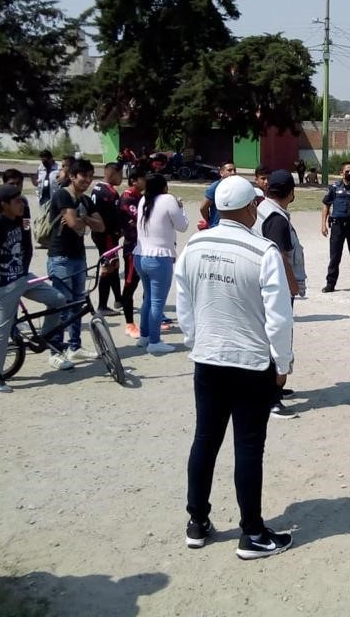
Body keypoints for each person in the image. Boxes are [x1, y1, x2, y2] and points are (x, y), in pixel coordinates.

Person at [175, 175, 295, 558]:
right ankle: (253, 532)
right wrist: (283, 362)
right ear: (250, 208)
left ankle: (197, 521)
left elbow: (184, 303)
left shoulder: (194, 244)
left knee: (205, 439)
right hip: (250, 362)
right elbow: (279, 318)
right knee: (247, 446)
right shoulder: (263, 252)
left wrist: (195, 341)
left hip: (208, 359)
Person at [0, 184, 67, 392]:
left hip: (22, 277)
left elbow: (27, 238)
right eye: (17, 201)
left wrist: (25, 265)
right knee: (2, 328)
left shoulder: (22, 216)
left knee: (58, 299)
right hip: (2, 286)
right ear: (4, 205)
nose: (22, 203)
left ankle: (45, 338)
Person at [253, 169, 305, 419]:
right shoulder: (277, 219)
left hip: (265, 285)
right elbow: (280, 256)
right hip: (277, 289)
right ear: (291, 193)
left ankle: (274, 389)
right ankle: (271, 398)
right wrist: (292, 285)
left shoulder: (264, 208)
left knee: (271, 338)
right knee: (278, 339)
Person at [45, 158, 105, 368]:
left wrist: (84, 219)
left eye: (90, 176)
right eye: (83, 176)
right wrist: (83, 220)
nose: (87, 180)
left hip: (78, 257)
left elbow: (101, 226)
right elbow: (71, 222)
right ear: (72, 176)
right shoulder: (63, 195)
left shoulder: (86, 201)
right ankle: (55, 350)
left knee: (78, 304)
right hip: (60, 257)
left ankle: (74, 347)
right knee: (61, 304)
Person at [135, 173, 188, 354]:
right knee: (157, 302)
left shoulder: (144, 200)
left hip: (140, 256)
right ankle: (155, 341)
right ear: (164, 187)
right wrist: (181, 208)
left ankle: (144, 336)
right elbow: (182, 226)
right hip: (159, 257)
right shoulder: (168, 199)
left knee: (148, 299)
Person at [321, 161, 350, 294]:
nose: (349, 173)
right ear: (341, 173)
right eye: (347, 171)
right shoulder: (335, 187)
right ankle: (330, 284)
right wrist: (323, 224)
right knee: (335, 257)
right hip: (338, 227)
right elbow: (326, 205)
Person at [90, 163, 125, 317]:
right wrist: (120, 231)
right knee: (109, 267)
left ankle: (118, 299)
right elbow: (115, 217)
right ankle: (102, 305)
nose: (122, 178)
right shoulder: (110, 193)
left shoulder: (97, 187)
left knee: (114, 266)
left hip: (99, 234)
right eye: (121, 174)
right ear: (113, 173)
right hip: (108, 236)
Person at [119, 168, 147, 339]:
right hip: (132, 248)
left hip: (144, 247)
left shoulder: (140, 197)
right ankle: (129, 323)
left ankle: (148, 320)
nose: (146, 182)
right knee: (130, 285)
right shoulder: (128, 197)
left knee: (147, 284)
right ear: (134, 180)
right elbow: (140, 221)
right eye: (143, 179)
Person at [200, 161, 237, 229]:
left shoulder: (236, 187)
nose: (233, 173)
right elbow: (203, 208)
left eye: (234, 170)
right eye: (229, 170)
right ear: (221, 173)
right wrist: (209, 221)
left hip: (233, 227)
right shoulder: (214, 188)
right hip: (216, 227)